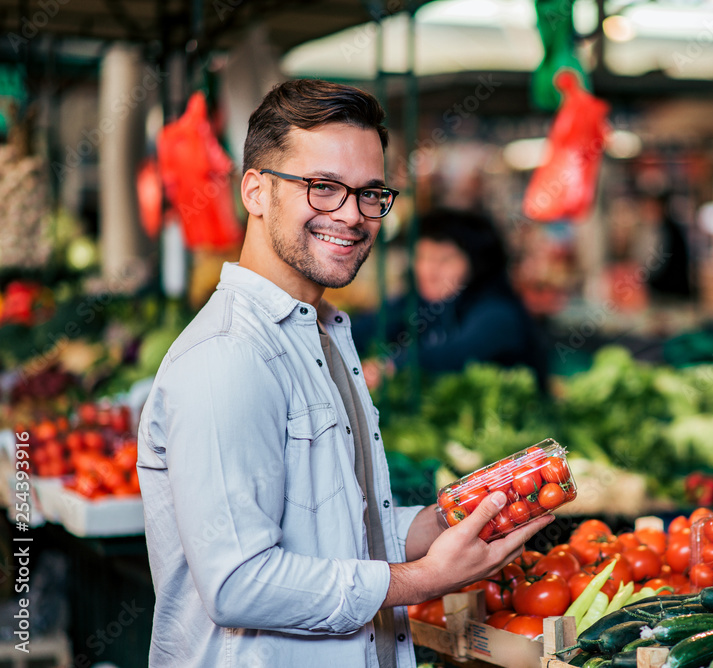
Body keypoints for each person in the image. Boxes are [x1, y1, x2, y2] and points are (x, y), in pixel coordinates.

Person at [136, 80, 553, 667]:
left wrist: (444, 520)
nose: (352, 215)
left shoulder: (323, 333)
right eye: (323, 188)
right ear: (255, 191)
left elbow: (336, 528)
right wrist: (422, 579)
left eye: (369, 193)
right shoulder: (229, 356)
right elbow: (237, 584)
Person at [353, 208, 549, 392]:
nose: (429, 271)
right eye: (423, 256)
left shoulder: (498, 311)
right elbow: (366, 328)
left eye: (445, 260)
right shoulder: (417, 302)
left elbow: (460, 353)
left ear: (476, 266)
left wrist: (392, 366)